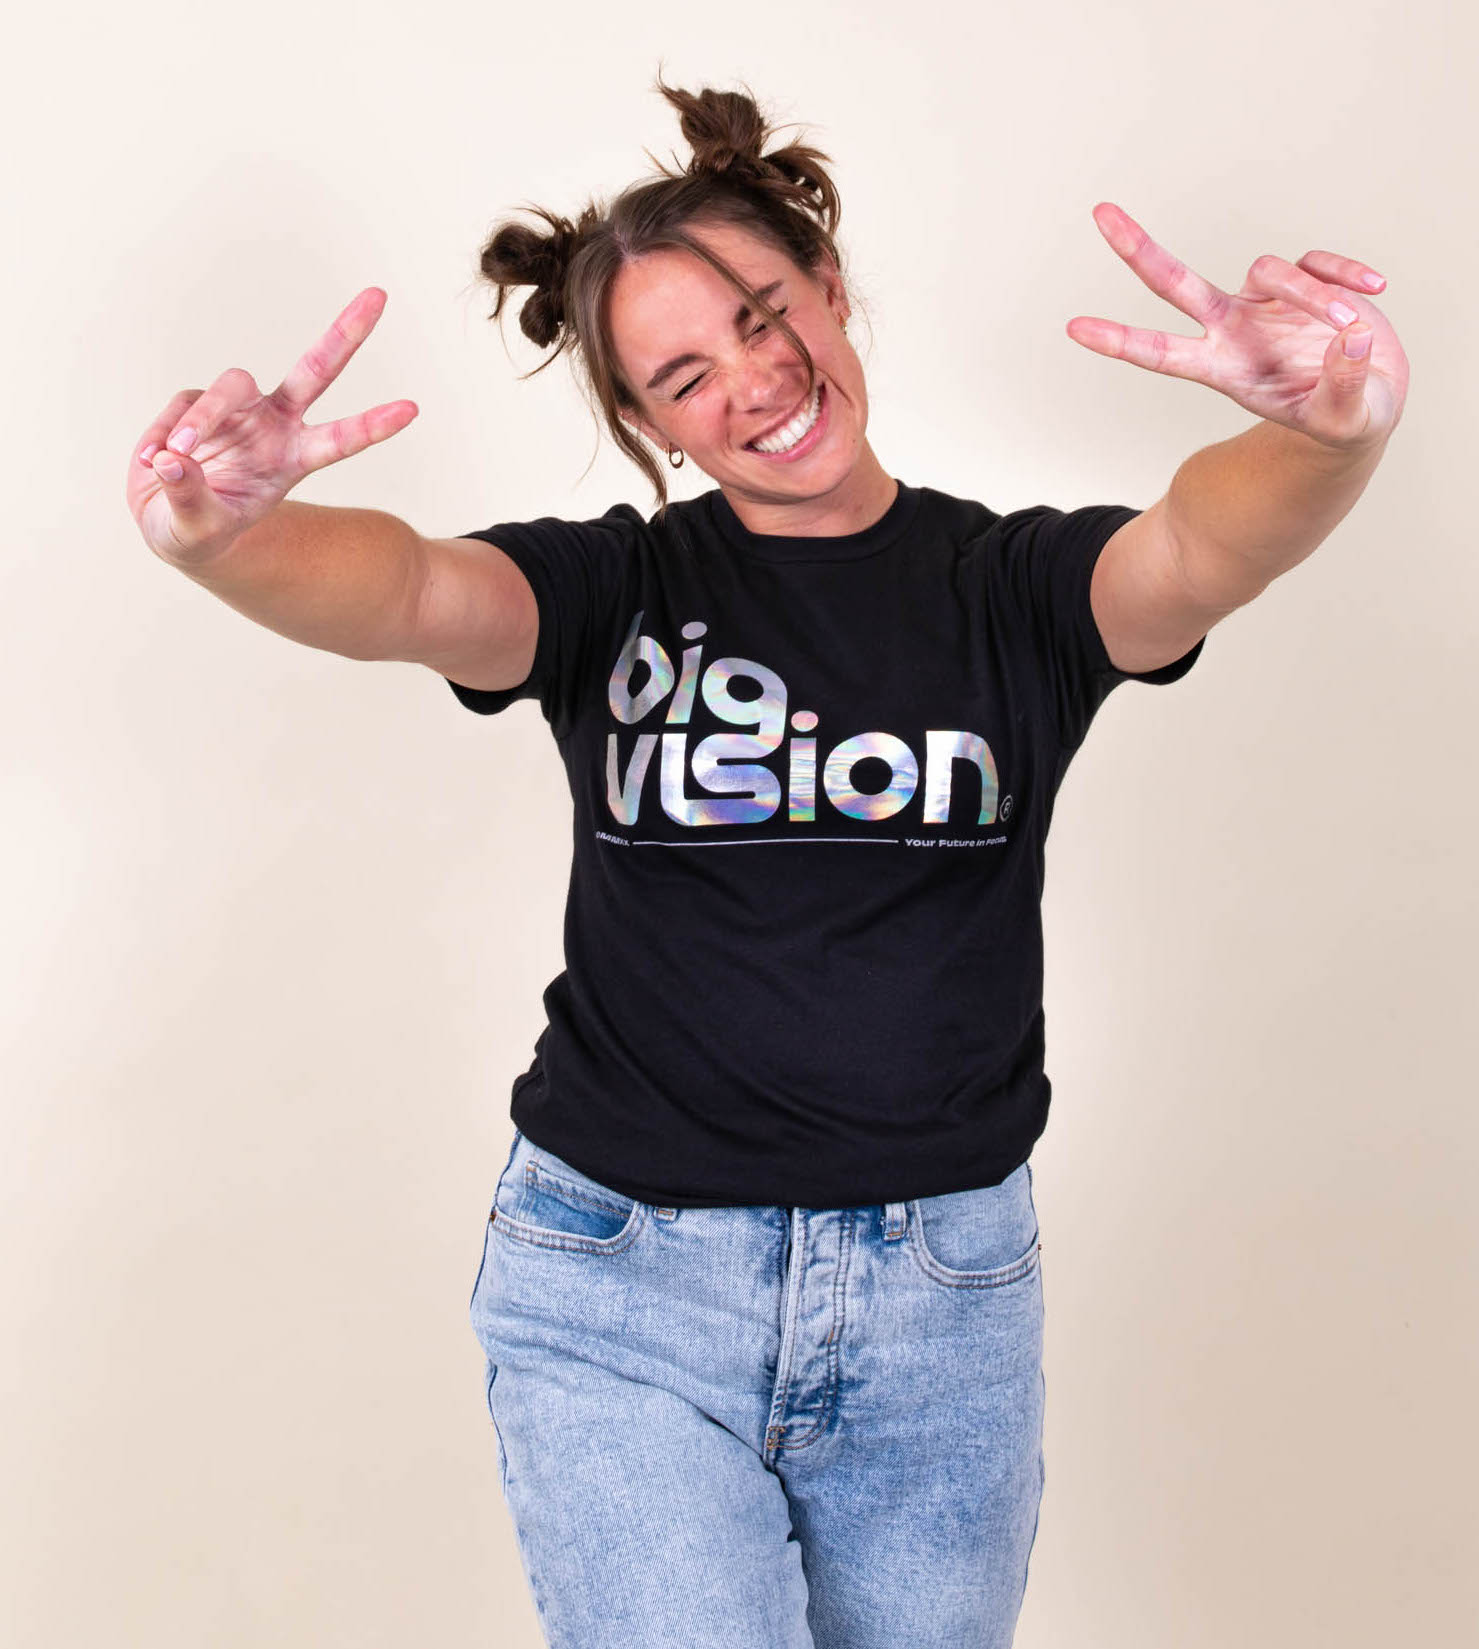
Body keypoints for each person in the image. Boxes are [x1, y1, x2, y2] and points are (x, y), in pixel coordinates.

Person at [125, 72, 1406, 1649]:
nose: (750, 381)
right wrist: (224, 533)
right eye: (682, 375)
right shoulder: (606, 596)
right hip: (621, 1286)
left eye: (762, 314)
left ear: (830, 289)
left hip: (942, 1307)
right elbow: (405, 589)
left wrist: (1324, 434)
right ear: (648, 428)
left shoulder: (1016, 589)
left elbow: (1199, 544)